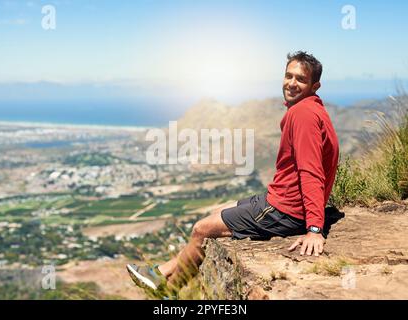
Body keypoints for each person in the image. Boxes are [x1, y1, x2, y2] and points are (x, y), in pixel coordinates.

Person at [127, 51, 340, 295]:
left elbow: (310, 171)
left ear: (315, 85)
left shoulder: (302, 114)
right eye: (288, 76)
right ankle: (162, 274)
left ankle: (166, 287)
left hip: (286, 210)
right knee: (216, 213)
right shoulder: (312, 109)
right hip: (279, 199)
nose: (292, 83)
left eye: (300, 79)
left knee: (201, 229)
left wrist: (314, 229)